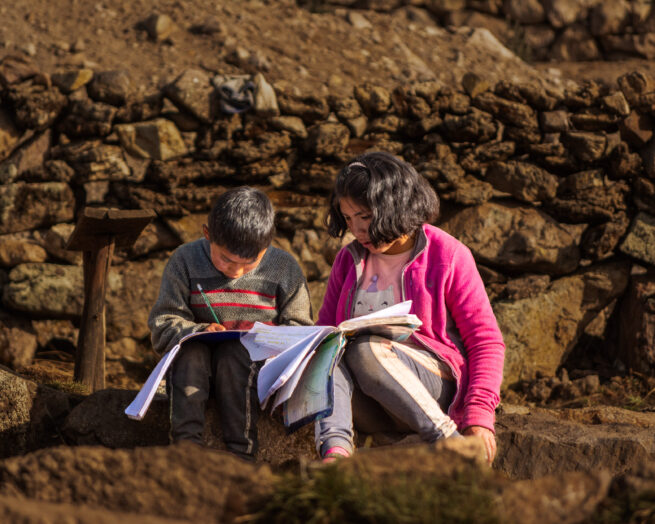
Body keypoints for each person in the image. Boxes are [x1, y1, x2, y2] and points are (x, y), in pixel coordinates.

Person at [315, 151, 505, 464]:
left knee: (366, 349)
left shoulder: (447, 254)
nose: (356, 231)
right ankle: (336, 456)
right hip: (371, 402)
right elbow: (327, 330)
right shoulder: (348, 260)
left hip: (433, 389)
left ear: (394, 206)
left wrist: (479, 415)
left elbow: (486, 342)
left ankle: (450, 442)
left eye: (364, 218)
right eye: (348, 219)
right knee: (327, 353)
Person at [149, 186, 313, 461]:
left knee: (234, 353)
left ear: (266, 247)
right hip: (195, 369)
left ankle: (242, 455)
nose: (235, 271)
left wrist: (265, 338)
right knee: (191, 353)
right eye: (225, 258)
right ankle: (184, 451)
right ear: (207, 234)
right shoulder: (185, 261)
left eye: (249, 263)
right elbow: (163, 324)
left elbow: (300, 330)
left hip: (255, 373)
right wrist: (198, 331)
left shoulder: (284, 268)